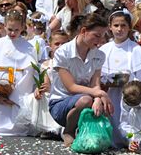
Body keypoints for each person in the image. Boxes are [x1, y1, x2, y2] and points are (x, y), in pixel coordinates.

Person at [48, 13, 112, 146]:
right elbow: (71, 87)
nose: (100, 41)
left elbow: (95, 84)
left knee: (104, 105)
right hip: (60, 102)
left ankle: (90, 133)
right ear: (84, 31)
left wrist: (99, 99)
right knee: (86, 99)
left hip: (85, 97)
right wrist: (98, 94)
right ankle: (69, 130)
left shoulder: (99, 55)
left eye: (103, 36)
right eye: (97, 35)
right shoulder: (63, 52)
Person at [0, 10, 37, 136]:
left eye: (16, 30)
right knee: (0, 117)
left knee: (18, 123)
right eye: (10, 29)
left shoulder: (29, 47)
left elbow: (29, 74)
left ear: (22, 27)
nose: (12, 33)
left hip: (18, 90)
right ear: (4, 25)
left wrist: (15, 96)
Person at [100, 10, 141, 146]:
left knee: (126, 120)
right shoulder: (104, 49)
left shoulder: (135, 50)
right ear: (110, 27)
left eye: (123, 26)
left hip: (128, 95)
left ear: (129, 28)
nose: (119, 29)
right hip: (109, 94)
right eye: (116, 25)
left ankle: (129, 140)